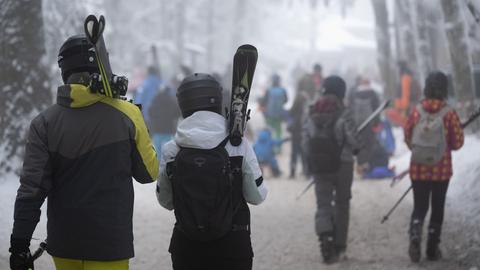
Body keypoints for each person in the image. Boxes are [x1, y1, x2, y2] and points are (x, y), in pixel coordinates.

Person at [8, 35, 159, 270]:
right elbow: (149, 173)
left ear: (63, 71)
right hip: (111, 245)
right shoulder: (127, 114)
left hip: (64, 244)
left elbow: (31, 189)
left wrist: (19, 244)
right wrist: (140, 127)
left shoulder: (44, 123)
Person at [156, 73, 268, 270]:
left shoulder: (171, 150)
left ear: (183, 105)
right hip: (233, 247)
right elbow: (257, 197)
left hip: (187, 247)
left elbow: (166, 202)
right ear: (218, 101)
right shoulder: (238, 145)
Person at [404, 71, 464, 262]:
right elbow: (458, 142)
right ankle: (432, 247)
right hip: (441, 170)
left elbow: (407, 134)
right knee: (437, 208)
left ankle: (415, 233)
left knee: (420, 207)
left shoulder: (417, 110)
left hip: (418, 169)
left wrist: (418, 150)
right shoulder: (449, 113)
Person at [303, 76, 360, 264]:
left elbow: (306, 139)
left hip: (319, 165)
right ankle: (339, 245)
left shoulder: (312, 111)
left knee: (323, 203)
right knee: (342, 203)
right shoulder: (344, 112)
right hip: (343, 164)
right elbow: (352, 139)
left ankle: (325, 236)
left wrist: (311, 158)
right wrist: (357, 147)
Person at [348, 78, 380, 174]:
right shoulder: (373, 94)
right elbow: (376, 110)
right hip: (369, 123)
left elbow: (350, 109)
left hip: (358, 124)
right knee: (369, 144)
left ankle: (360, 166)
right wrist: (376, 123)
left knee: (359, 145)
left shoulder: (354, 94)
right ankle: (367, 166)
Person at [148, 85, 181, 155]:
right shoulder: (172, 100)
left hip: (157, 129)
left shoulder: (155, 99)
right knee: (169, 149)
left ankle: (158, 163)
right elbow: (177, 113)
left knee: (157, 150)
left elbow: (150, 112)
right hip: (169, 129)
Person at [261, 73, 288, 141]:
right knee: (278, 131)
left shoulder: (269, 90)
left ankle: (269, 146)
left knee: (269, 130)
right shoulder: (283, 90)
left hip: (269, 114)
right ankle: (278, 147)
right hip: (279, 114)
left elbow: (264, 101)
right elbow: (286, 100)